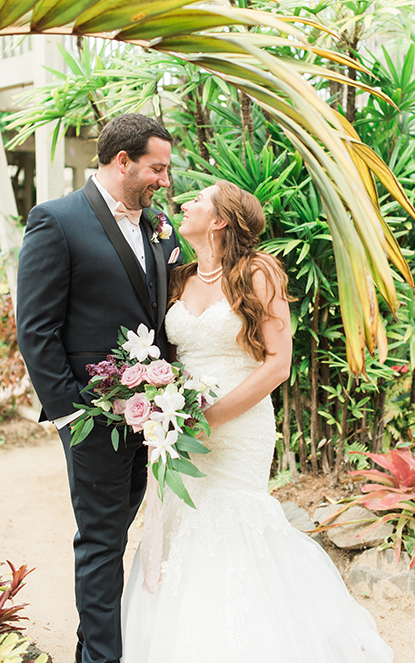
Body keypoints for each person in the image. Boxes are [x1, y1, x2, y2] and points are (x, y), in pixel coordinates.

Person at [121, 179, 393, 662]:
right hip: (179, 429)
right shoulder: (178, 277)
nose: (185, 204)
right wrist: (162, 406)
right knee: (185, 528)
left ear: (221, 220)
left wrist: (209, 417)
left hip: (239, 427)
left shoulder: (258, 273)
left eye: (198, 200)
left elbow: (277, 363)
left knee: (232, 524)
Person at [16, 113, 182, 663]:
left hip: (151, 413)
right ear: (122, 161)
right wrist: (71, 414)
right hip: (92, 416)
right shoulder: (56, 220)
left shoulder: (161, 227)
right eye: (156, 168)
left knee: (120, 532)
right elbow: (36, 329)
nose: (164, 179)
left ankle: (97, 646)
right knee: (102, 540)